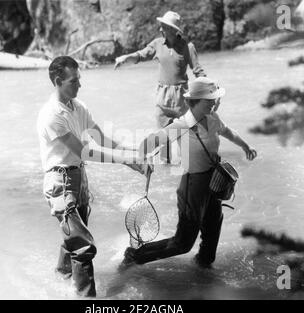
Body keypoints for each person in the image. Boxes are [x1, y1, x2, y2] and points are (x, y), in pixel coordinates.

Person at [37, 56, 150, 297]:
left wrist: (132, 154)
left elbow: (100, 138)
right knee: (83, 244)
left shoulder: (79, 107)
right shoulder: (51, 115)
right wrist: (124, 160)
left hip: (78, 178)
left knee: (74, 237)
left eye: (79, 79)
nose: (80, 85)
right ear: (58, 81)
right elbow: (83, 150)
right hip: (60, 182)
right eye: (74, 81)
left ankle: (60, 279)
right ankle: (86, 297)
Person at [120, 77, 257, 269]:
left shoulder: (213, 118)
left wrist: (245, 146)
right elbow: (148, 144)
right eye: (209, 100)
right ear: (195, 102)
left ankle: (203, 267)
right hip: (192, 186)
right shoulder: (180, 126)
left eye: (214, 99)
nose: (214, 102)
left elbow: (228, 132)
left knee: (213, 227)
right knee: (182, 244)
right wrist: (145, 160)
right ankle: (134, 256)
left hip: (213, 183)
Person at [115, 11, 206, 163]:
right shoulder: (157, 44)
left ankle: (190, 171)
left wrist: (209, 93)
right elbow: (141, 55)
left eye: (163, 26)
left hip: (181, 101)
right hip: (162, 100)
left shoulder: (188, 47)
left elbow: (198, 71)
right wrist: (126, 58)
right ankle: (166, 173)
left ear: (172, 29)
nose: (160, 29)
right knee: (163, 141)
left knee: (185, 143)